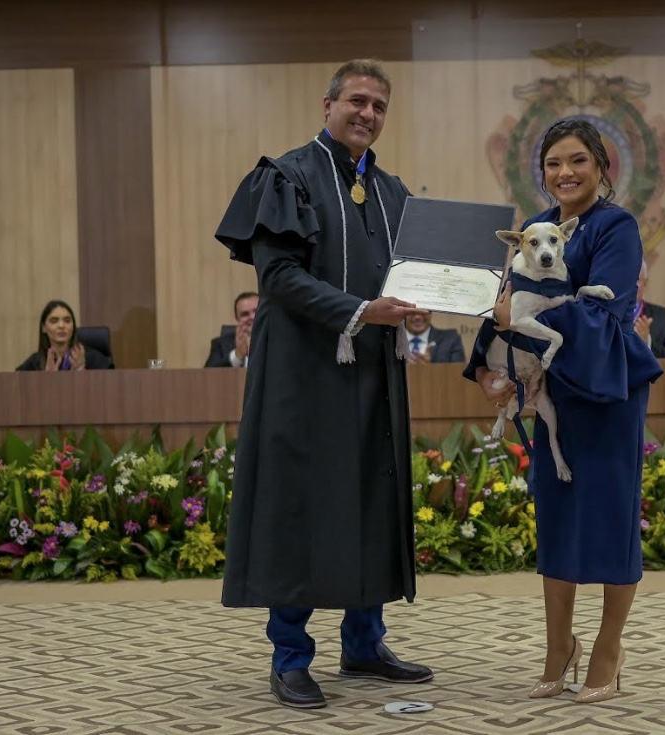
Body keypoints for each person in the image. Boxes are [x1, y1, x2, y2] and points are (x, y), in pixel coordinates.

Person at [214, 59, 433, 710]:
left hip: (372, 374)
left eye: (379, 107)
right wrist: (362, 310)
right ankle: (290, 655)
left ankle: (364, 641)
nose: (367, 114)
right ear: (328, 103)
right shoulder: (286, 176)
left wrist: (415, 306)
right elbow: (276, 276)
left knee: (371, 495)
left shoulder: (391, 191)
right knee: (301, 505)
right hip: (302, 375)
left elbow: (404, 277)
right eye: (357, 101)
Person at [464, 118, 662, 704]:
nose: (564, 173)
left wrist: (520, 325)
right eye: (553, 164)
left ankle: (606, 646)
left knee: (609, 518)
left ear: (603, 166)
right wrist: (486, 367)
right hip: (549, 391)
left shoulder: (616, 227)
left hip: (605, 390)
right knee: (556, 515)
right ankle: (558, 647)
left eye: (577, 160)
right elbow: (503, 304)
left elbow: (603, 316)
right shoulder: (533, 229)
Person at [16, 300, 113, 371]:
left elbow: (110, 384)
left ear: (73, 326)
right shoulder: (35, 362)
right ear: (44, 328)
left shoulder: (90, 357)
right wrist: (45, 380)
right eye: (54, 321)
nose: (61, 326)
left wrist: (81, 372)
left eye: (67, 321)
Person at [205, 292, 259, 367]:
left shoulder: (279, 340)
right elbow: (207, 375)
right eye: (245, 314)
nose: (252, 317)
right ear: (237, 319)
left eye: (257, 311)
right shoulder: (220, 345)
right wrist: (237, 356)